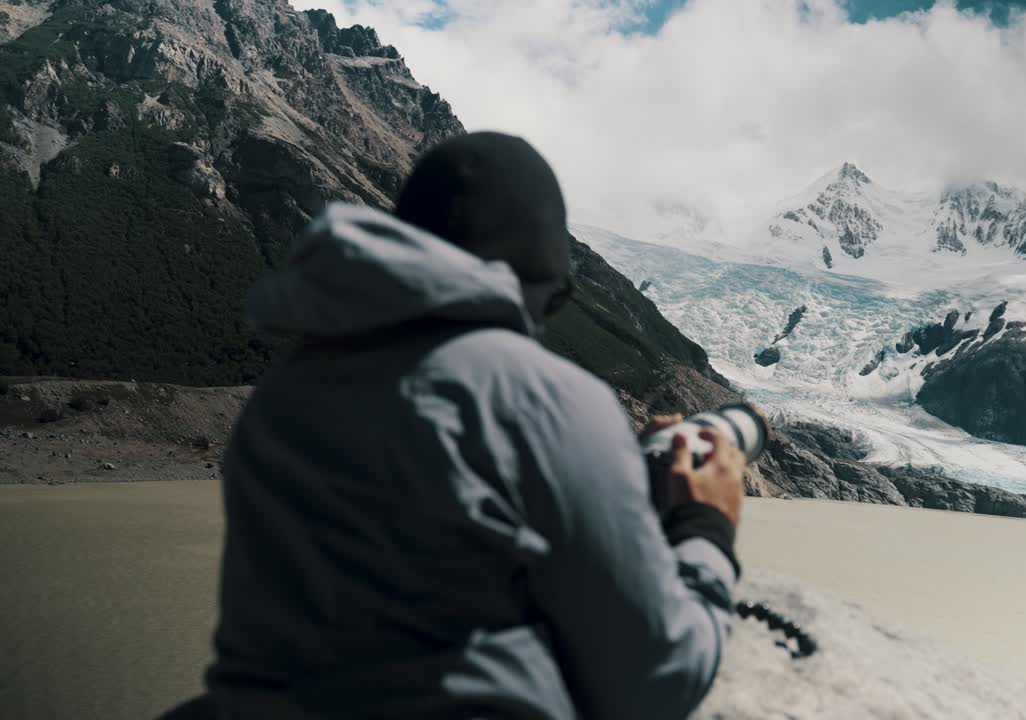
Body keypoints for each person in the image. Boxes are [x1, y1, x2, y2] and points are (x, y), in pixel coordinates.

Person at [196, 132, 747, 719]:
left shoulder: (281, 394)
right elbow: (658, 680)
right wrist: (704, 525)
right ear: (544, 276)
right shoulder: (549, 400)